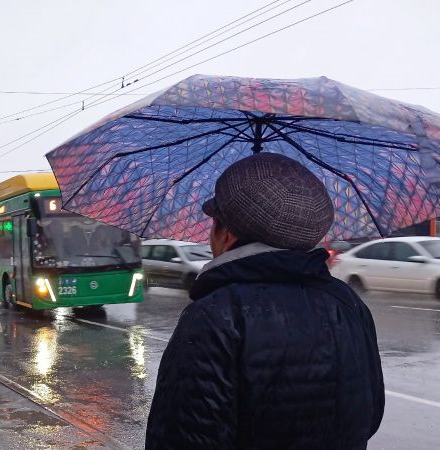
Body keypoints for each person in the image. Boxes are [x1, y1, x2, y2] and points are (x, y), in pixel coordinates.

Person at [145, 153, 384, 449]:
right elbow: (369, 415)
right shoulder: (347, 302)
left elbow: (177, 438)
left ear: (226, 233)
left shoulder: (215, 315)